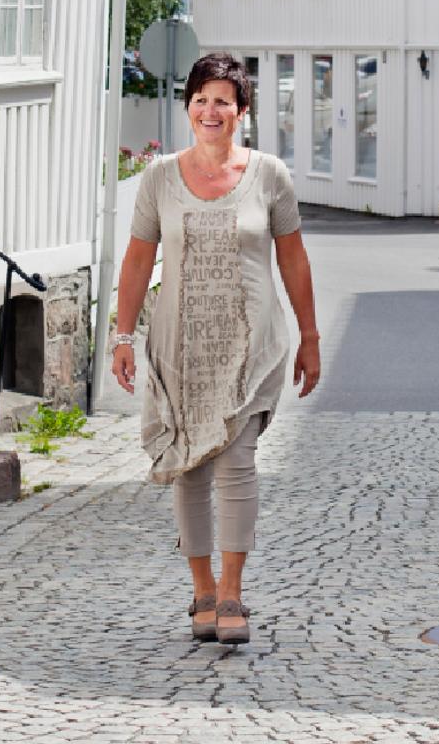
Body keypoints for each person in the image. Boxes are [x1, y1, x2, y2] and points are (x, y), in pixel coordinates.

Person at [111, 52, 322, 646]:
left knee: (236, 463)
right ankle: (201, 589)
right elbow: (137, 260)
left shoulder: (269, 175)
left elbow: (294, 259)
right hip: (180, 345)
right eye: (200, 100)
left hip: (251, 345)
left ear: (242, 110)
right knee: (189, 468)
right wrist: (123, 337)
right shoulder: (159, 178)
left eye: (222, 101)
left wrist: (310, 337)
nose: (211, 111)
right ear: (188, 108)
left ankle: (232, 592)